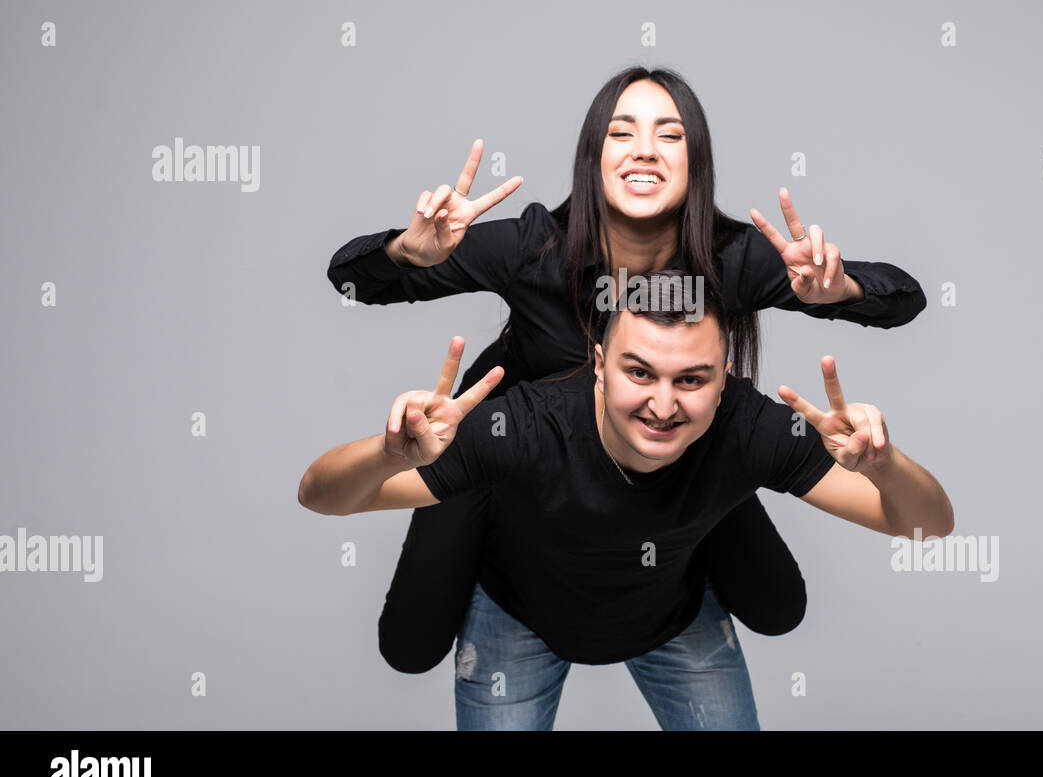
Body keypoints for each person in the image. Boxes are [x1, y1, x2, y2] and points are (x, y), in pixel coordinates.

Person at [325, 65, 928, 674]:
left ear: (697, 162)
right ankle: (520, 553)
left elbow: (905, 300)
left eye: (670, 135)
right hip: (519, 454)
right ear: (593, 156)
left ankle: (672, 538)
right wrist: (408, 251)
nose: (645, 149)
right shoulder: (535, 247)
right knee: (410, 642)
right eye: (622, 133)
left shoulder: (732, 259)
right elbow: (351, 281)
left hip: (673, 451)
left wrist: (841, 287)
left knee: (777, 605)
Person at [298, 272, 953, 729]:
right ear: (600, 363)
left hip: (670, 617)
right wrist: (391, 454)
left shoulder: (749, 425)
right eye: (640, 372)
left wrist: (887, 465)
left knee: (776, 602)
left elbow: (928, 527)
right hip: (519, 613)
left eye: (691, 380)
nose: (663, 405)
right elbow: (322, 495)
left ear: (724, 380)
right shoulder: (523, 426)